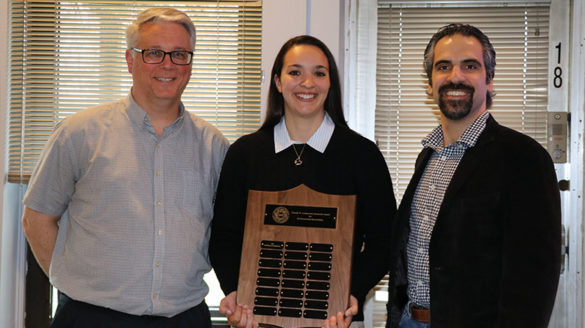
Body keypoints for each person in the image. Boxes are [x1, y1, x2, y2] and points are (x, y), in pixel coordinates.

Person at [21, 7, 229, 327]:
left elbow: (227, 233)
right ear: (130, 60)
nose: (167, 64)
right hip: (89, 317)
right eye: (154, 53)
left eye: (179, 54)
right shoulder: (78, 134)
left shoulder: (214, 146)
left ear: (190, 63)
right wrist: (76, 285)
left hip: (185, 318)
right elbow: (37, 219)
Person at [209, 35, 396, 328]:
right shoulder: (245, 154)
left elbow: (383, 242)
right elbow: (224, 236)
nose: (307, 82)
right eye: (295, 72)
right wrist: (235, 292)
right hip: (257, 319)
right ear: (278, 82)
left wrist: (350, 293)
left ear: (330, 82)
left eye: (319, 73)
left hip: (335, 320)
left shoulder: (362, 155)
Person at [386, 23, 561, 328]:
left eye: (470, 66)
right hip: (408, 321)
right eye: (443, 67)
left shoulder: (524, 158)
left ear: (489, 80)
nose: (455, 77)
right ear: (430, 83)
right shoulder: (428, 156)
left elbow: (533, 282)